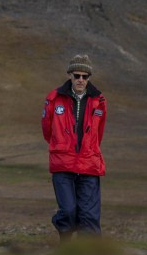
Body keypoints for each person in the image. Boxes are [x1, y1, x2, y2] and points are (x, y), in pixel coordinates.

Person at [42, 54, 107, 241]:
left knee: (89, 216)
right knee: (69, 211)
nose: (80, 80)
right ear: (69, 75)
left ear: (89, 78)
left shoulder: (99, 101)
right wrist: (61, 145)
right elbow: (47, 129)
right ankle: (66, 244)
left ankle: (89, 254)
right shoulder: (54, 99)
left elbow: (98, 132)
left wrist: (89, 149)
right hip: (63, 161)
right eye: (77, 75)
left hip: (89, 162)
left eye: (85, 76)